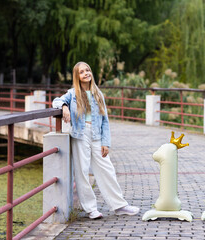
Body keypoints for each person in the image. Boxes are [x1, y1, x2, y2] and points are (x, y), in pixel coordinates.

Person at [52, 61, 139, 219]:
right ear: (77, 76)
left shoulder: (98, 94)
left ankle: (119, 205)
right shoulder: (72, 94)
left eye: (88, 70)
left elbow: (105, 120)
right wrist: (64, 107)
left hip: (97, 135)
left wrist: (106, 142)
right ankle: (91, 208)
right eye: (82, 72)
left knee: (107, 168)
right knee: (82, 171)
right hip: (80, 134)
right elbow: (56, 101)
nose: (86, 73)